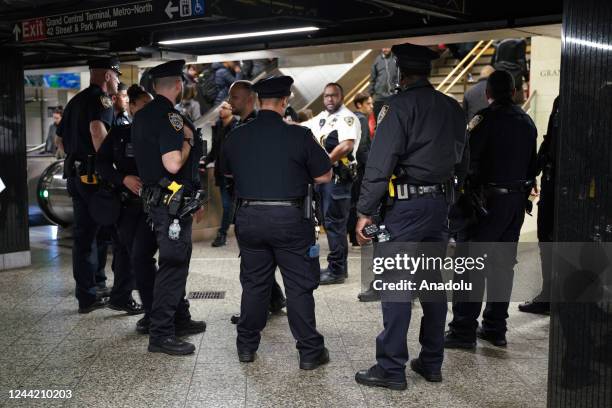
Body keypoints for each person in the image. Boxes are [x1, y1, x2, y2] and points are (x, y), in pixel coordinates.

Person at [354, 43, 466, 390]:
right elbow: (463, 160)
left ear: (400, 73)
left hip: (404, 209)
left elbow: (380, 163)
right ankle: (431, 362)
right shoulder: (453, 108)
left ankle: (391, 369)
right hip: (439, 207)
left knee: (396, 286)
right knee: (432, 286)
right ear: (428, 72)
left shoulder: (397, 107)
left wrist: (364, 212)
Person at [223, 75, 333, 368]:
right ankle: (310, 353)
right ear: (285, 102)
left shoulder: (236, 136)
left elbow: (228, 173)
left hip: (249, 218)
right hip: (290, 219)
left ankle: (246, 346)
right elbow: (324, 175)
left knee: (255, 285)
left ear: (258, 101)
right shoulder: (299, 136)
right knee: (298, 286)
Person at [445, 70, 537, 349]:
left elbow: (467, 160)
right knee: (502, 268)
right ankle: (496, 328)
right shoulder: (527, 121)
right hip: (515, 204)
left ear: (488, 94)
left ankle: (463, 331)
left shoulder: (484, 119)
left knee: (470, 267)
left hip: (486, 204)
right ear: (515, 91)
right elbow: (533, 164)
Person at [132, 60, 207, 356]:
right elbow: (174, 162)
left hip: (154, 201)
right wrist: (187, 142)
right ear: (178, 85)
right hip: (171, 205)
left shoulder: (141, 116)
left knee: (169, 262)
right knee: (174, 265)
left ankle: (179, 318)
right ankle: (162, 334)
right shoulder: (171, 117)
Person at [55, 57, 121, 313]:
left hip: (75, 176)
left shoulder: (75, 101)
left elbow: (60, 140)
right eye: (116, 76)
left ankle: (89, 290)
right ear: (107, 76)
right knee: (99, 234)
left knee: (84, 236)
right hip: (94, 179)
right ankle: (92, 292)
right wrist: (108, 164)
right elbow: (97, 131)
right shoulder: (101, 100)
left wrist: (76, 156)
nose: (117, 82)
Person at [224, 80, 287, 323]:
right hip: (249, 203)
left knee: (252, 267)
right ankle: (275, 299)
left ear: (251, 99)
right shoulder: (239, 126)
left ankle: (253, 314)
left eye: (235, 98)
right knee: (260, 262)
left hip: (256, 207)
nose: (230, 102)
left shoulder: (253, 129)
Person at [96, 85, 150, 315]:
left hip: (152, 204)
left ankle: (122, 296)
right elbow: (102, 164)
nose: (148, 110)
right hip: (127, 204)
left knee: (134, 253)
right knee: (129, 251)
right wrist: (123, 178)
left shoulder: (158, 133)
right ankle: (127, 298)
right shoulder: (120, 134)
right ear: (133, 105)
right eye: (144, 105)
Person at [302, 83, 361, 285]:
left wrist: (325, 164)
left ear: (341, 97)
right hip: (328, 180)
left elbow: (346, 145)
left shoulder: (347, 118)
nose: (329, 99)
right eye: (326, 96)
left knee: (335, 225)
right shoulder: (324, 118)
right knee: (329, 223)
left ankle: (337, 270)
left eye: (333, 96)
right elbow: (305, 125)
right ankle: (336, 267)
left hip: (338, 179)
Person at [519, 95, 559, 315]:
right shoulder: (560, 102)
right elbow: (548, 141)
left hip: (571, 184)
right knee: (546, 239)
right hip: (552, 183)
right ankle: (549, 294)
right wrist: (532, 172)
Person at [205, 101, 237, 247]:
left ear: (231, 110)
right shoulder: (217, 125)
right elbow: (215, 149)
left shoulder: (237, 125)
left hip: (235, 172)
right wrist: (203, 161)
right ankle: (223, 233)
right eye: (220, 107)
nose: (220, 110)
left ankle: (223, 233)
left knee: (229, 204)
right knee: (228, 204)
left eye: (224, 107)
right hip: (221, 171)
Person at [348, 92, 373, 248]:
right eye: (368, 103)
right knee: (362, 202)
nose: (371, 106)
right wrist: (372, 167)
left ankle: (353, 237)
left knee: (353, 202)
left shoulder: (350, 118)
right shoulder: (362, 119)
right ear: (359, 104)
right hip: (362, 168)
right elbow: (363, 147)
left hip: (352, 167)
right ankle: (361, 236)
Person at [491, 38, 529, 104]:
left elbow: (492, 63)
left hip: (501, 82)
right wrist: (527, 79)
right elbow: (522, 62)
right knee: (517, 106)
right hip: (515, 82)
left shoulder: (499, 43)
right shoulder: (520, 42)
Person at [369, 48, 399, 119]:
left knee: (393, 120)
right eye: (384, 47)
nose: (385, 49)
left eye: (387, 47)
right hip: (379, 99)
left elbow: (399, 78)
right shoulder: (377, 61)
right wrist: (370, 95)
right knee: (379, 121)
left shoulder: (396, 60)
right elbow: (372, 79)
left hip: (393, 97)